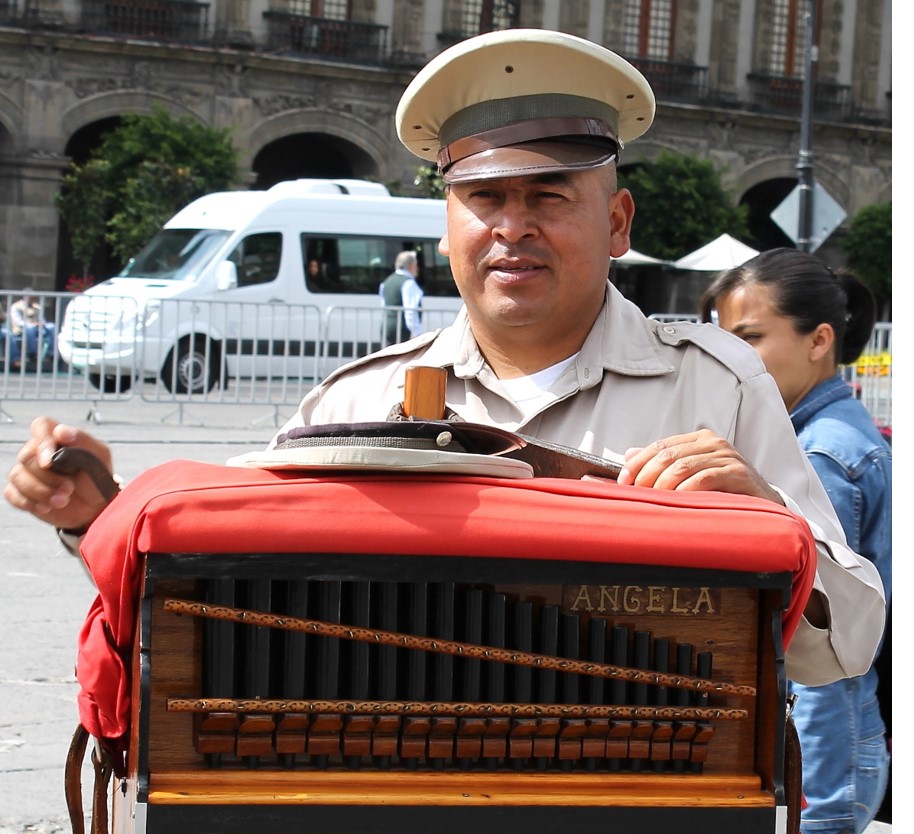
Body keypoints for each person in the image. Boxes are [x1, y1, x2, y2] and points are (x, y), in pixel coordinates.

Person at [4, 28, 884, 691]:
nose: (514, 227)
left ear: (617, 224)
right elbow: (226, 597)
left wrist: (771, 526)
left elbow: (845, 647)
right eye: (485, 198)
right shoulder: (359, 397)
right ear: (448, 227)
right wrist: (99, 515)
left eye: (549, 196)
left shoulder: (718, 382)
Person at [702, 249, 892, 834]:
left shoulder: (824, 458)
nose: (731, 360)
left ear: (820, 341)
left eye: (750, 340)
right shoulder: (824, 438)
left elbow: (821, 660)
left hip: (823, 768)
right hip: (831, 766)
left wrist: (817, 831)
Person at [379, 250, 424, 344]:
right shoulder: (408, 283)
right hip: (402, 330)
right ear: (411, 265)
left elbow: (384, 306)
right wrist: (416, 333)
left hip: (387, 327)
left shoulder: (386, 282)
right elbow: (410, 310)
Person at [9, 289, 56, 367]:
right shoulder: (15, 306)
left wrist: (42, 323)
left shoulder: (37, 307)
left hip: (38, 328)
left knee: (51, 326)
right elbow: (18, 321)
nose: (32, 299)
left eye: (33, 297)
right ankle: (32, 354)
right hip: (21, 329)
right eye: (30, 297)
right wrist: (32, 324)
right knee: (31, 328)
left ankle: (52, 353)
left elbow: (42, 319)